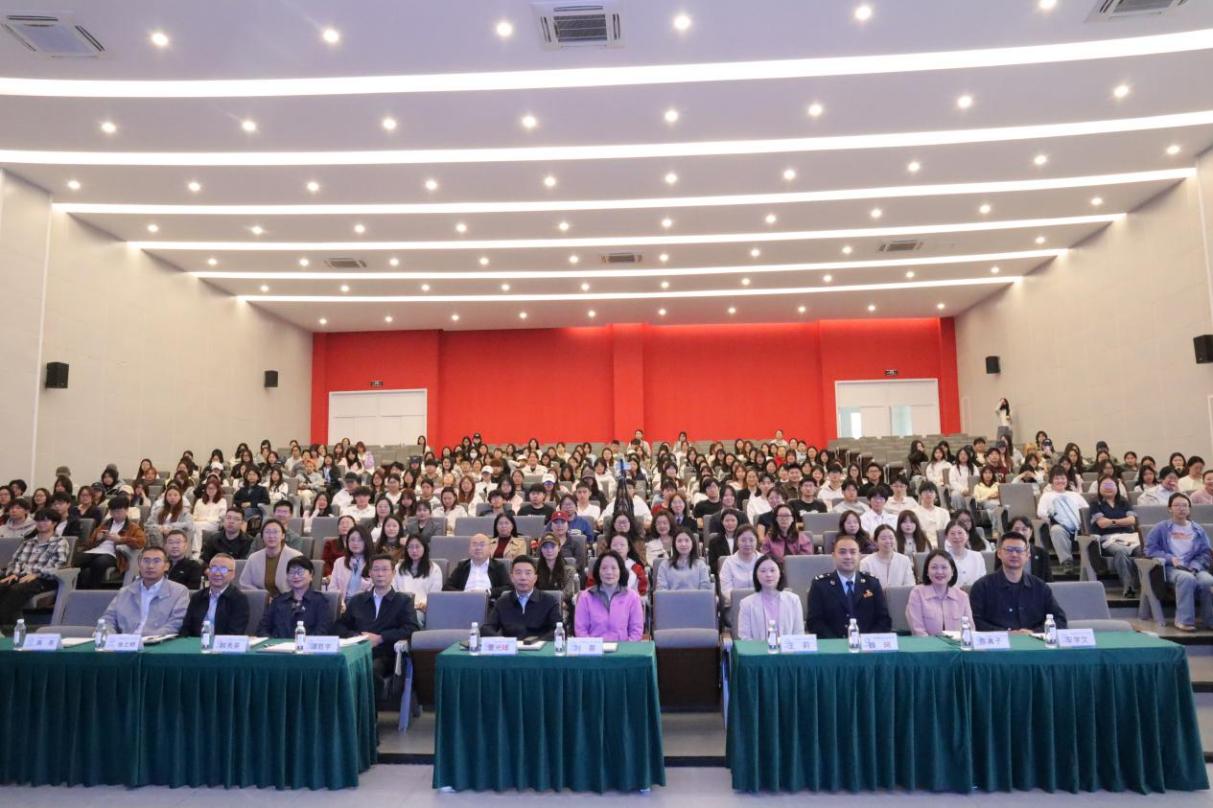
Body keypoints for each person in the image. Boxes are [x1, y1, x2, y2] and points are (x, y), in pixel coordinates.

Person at [336, 554, 421, 678]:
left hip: (386, 654)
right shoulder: (357, 600)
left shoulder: (403, 601)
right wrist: (357, 637)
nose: (380, 574)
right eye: (376, 570)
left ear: (393, 573)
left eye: (385, 569)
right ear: (370, 573)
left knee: (370, 669)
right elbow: (339, 626)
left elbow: (411, 629)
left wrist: (381, 638)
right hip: (357, 652)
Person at [969, 532, 1068, 632]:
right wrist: (1005, 633)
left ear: (1027, 555)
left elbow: (1060, 620)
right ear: (999, 553)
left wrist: (1034, 632)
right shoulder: (982, 587)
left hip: (1033, 640)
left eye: (1019, 550)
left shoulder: (1040, 587)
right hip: (997, 641)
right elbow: (974, 621)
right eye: (1009, 550)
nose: (1014, 554)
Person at [1145, 493, 1213, 631]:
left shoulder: (1198, 529)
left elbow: (1205, 553)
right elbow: (1150, 550)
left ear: (1189, 509)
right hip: (1170, 568)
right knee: (1186, 578)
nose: (1181, 508)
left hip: (1194, 567)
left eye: (1185, 505)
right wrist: (1170, 559)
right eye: (1177, 505)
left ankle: (1209, 620)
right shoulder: (1160, 528)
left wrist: (1195, 566)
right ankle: (1184, 621)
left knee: (1208, 581)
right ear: (1169, 508)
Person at [806, 535, 892, 638]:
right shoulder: (820, 585)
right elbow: (814, 622)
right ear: (833, 556)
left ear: (859, 556)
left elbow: (884, 620)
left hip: (867, 644)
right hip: (832, 644)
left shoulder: (872, 583)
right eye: (842, 552)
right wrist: (838, 643)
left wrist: (867, 640)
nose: (848, 556)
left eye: (853, 552)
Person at [0, 508, 68, 631]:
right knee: (3, 585)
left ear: (54, 523)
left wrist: (37, 574)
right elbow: (15, 560)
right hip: (21, 576)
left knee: (15, 590)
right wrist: (13, 573)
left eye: (45, 521)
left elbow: (58, 565)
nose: (41, 524)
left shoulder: (60, 542)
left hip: (44, 579)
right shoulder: (28, 542)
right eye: (39, 521)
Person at [100, 546, 190, 636]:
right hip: (126, 641)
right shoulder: (125, 592)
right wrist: (112, 637)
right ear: (139, 564)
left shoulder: (179, 591)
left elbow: (176, 623)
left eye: (156, 561)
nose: (150, 566)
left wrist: (150, 638)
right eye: (146, 561)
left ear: (166, 566)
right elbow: (108, 619)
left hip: (159, 641)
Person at [76, 496, 146, 589]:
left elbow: (141, 542)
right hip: (96, 550)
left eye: (119, 512)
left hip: (114, 554)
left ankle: (92, 590)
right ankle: (77, 589)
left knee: (99, 563)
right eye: (112, 512)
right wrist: (97, 538)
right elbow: (89, 543)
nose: (115, 515)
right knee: (77, 560)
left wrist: (121, 539)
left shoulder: (133, 527)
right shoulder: (105, 524)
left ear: (126, 510)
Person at [484, 556, 561, 640]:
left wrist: (537, 642)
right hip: (511, 646)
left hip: (539, 646)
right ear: (512, 578)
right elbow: (487, 629)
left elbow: (558, 630)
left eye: (528, 573)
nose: (523, 577)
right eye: (518, 573)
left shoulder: (549, 601)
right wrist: (504, 641)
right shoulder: (502, 602)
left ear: (535, 578)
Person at [574, 550, 644, 641]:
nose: (609, 572)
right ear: (598, 571)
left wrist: (626, 648)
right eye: (604, 568)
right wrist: (593, 647)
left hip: (623, 648)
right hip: (593, 648)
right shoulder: (585, 597)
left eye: (614, 568)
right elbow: (581, 630)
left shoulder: (632, 597)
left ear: (621, 571)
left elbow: (636, 631)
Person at [1088, 476, 1140, 597]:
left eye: (1111, 485)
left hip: (1129, 537)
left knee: (1143, 551)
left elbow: (1132, 520)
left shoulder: (1124, 502)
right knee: (1121, 551)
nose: (1108, 488)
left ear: (1117, 487)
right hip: (1108, 539)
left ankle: (1141, 584)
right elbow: (1102, 523)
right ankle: (1128, 586)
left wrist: (1112, 521)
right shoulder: (1095, 503)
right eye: (1105, 485)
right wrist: (1122, 521)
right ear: (1099, 487)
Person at [258, 556, 334, 637]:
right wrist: (272, 641)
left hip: (307, 644)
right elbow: (262, 629)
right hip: (277, 644)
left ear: (311, 575)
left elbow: (323, 631)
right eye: (291, 572)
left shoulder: (320, 601)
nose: (296, 576)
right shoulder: (278, 601)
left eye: (300, 572)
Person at [906, 549, 974, 637]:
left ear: (952, 571)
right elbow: (918, 630)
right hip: (925, 644)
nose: (939, 572)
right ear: (927, 571)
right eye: (934, 567)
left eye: (944, 567)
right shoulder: (917, 594)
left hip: (957, 645)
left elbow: (970, 630)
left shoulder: (962, 596)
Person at [736, 554, 805, 640]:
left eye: (772, 570)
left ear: (780, 573)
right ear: (756, 575)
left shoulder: (794, 600)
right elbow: (745, 637)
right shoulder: (746, 604)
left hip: (787, 648)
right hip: (757, 648)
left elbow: (798, 633)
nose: (768, 574)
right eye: (763, 571)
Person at [180, 553, 250, 637]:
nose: (217, 573)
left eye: (223, 569)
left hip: (223, 644)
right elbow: (186, 628)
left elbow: (234, 633)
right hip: (196, 643)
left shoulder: (239, 599)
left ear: (233, 574)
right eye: (213, 568)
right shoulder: (197, 597)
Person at [1036, 465, 1089, 572]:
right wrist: (1055, 518)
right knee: (1056, 530)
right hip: (1059, 525)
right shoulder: (1047, 496)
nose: (1060, 481)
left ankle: (1094, 563)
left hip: (1079, 526)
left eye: (1063, 478)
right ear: (1051, 480)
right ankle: (1067, 562)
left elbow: (1086, 510)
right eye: (1057, 478)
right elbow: (1041, 512)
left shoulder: (1074, 495)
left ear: (1067, 480)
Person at [239, 518, 303, 597]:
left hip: (288, 600)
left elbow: (302, 584)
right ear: (262, 536)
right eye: (267, 532)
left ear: (283, 536)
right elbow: (245, 583)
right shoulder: (253, 558)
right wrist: (262, 596)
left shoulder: (296, 557)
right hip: (260, 600)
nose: (271, 536)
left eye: (275, 532)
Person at [392, 535, 444, 617]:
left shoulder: (434, 569)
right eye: (411, 547)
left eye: (417, 547)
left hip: (422, 609)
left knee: (412, 617)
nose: (414, 550)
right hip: (400, 607)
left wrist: (422, 604)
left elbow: (434, 594)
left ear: (424, 548)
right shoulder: (398, 567)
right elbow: (393, 589)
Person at [444, 533, 510, 594]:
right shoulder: (462, 566)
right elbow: (447, 587)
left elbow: (509, 587)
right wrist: (464, 594)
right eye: (474, 544)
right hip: (464, 600)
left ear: (490, 549)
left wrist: (488, 592)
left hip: (489, 601)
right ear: (469, 549)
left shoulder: (498, 566)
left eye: (482, 545)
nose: (478, 548)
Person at [859, 525, 916, 589]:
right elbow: (863, 588)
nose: (888, 541)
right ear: (875, 542)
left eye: (891, 538)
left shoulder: (904, 560)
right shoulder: (866, 563)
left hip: (900, 595)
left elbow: (910, 585)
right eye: (883, 538)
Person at [330, 525, 374, 607]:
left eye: (360, 540)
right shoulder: (339, 562)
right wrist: (340, 604)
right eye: (352, 540)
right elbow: (332, 588)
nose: (355, 543)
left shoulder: (374, 562)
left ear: (367, 541)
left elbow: (375, 589)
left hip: (365, 604)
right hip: (342, 604)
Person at [718, 525, 761, 608]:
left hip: (760, 603)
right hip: (736, 605)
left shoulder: (763, 560)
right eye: (743, 540)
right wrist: (743, 602)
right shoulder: (729, 562)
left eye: (751, 540)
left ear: (757, 541)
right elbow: (726, 590)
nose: (747, 544)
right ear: (737, 542)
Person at [535, 533, 581, 607]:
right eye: (545, 547)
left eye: (552, 546)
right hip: (539, 606)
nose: (549, 550)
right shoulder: (534, 570)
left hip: (561, 606)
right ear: (541, 550)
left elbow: (568, 593)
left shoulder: (569, 571)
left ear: (559, 548)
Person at [943, 518, 986, 588]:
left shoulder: (978, 556)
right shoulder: (943, 559)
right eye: (952, 533)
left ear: (967, 535)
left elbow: (983, 581)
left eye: (960, 533)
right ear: (946, 537)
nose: (956, 537)